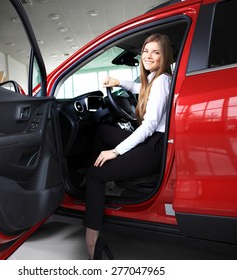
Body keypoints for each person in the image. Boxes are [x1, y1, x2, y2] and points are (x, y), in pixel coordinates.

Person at [83, 34, 173, 259]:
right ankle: (93, 186)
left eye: (156, 52)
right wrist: (119, 82)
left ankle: (92, 242)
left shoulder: (161, 81)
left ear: (165, 56)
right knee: (103, 131)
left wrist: (116, 151)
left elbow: (149, 125)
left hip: (155, 146)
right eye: (146, 51)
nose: (148, 56)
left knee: (95, 175)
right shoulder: (156, 79)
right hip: (152, 141)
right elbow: (139, 88)